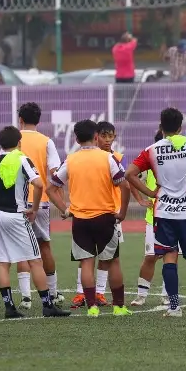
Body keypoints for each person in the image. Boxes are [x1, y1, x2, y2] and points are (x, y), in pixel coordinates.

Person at [125, 107, 186, 318]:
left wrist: (150, 192)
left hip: (163, 213)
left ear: (161, 126)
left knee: (169, 256)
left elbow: (129, 173)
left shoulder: (151, 149)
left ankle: (174, 307)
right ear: (180, 127)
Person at [0, 126, 70, 318]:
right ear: (19, 143)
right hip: (16, 215)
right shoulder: (22, 159)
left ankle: (9, 307)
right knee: (35, 260)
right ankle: (47, 306)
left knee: (3, 262)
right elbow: (39, 184)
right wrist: (34, 208)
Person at [48, 120, 132, 317]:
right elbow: (125, 185)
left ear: (76, 139)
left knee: (86, 263)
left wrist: (66, 209)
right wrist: (123, 212)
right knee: (113, 261)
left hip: (80, 220)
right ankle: (119, 307)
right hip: (105, 217)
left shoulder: (71, 160)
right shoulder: (107, 158)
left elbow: (51, 188)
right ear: (96, 136)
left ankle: (92, 307)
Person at [129, 130, 186, 307]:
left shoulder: (180, 161)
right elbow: (130, 179)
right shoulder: (151, 162)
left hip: (177, 215)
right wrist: (140, 198)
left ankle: (168, 295)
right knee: (151, 256)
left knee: (172, 255)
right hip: (154, 217)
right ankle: (141, 295)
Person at [15, 102, 65, 309]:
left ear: (20, 120)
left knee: (20, 249)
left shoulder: (13, 139)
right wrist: (61, 204)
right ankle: (52, 293)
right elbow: (56, 174)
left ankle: (26, 297)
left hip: (17, 201)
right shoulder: (46, 141)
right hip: (41, 200)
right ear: (39, 120)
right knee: (45, 245)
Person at [71, 121, 123, 308]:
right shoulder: (84, 158)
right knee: (89, 258)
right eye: (104, 136)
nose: (108, 140)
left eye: (111, 136)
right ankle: (82, 294)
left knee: (103, 258)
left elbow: (125, 182)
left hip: (110, 212)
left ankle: (98, 294)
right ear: (96, 136)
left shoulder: (114, 157)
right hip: (103, 215)